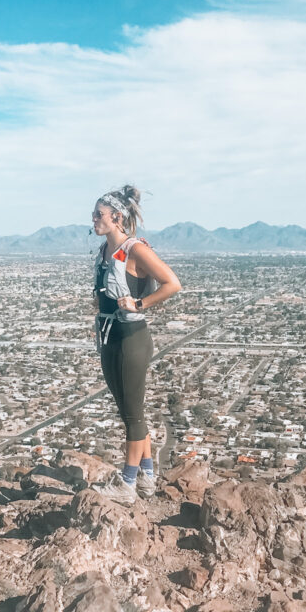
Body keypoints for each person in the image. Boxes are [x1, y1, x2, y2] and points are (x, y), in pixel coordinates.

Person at [91, 185, 181, 505]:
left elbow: (173, 283)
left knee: (132, 413)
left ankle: (127, 484)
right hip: (110, 336)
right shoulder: (105, 251)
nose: (93, 219)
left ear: (117, 217)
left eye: (99, 214)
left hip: (132, 338)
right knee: (130, 410)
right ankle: (146, 475)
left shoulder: (135, 249)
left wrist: (140, 304)